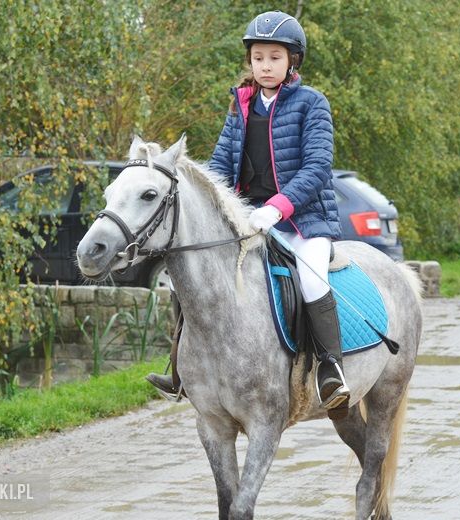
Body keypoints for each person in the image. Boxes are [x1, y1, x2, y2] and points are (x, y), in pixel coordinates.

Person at [146, 11, 349, 418]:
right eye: (258, 57)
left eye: (274, 57)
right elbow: (221, 163)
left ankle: (330, 369)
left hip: (302, 218)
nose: (265, 65)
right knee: (195, 273)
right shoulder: (240, 104)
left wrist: (277, 208)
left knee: (311, 275)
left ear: (293, 60)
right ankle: (181, 368)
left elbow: (317, 168)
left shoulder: (313, 103)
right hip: (246, 217)